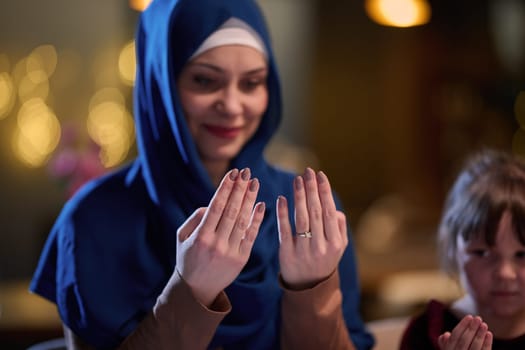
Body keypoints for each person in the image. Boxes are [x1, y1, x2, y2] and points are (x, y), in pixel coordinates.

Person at [29, 0, 374, 349]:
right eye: (205, 81)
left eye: (252, 83)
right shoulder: (95, 216)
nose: (233, 105)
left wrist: (311, 290)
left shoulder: (303, 212)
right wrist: (190, 290)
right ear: (160, 83)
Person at [399, 148, 525, 350]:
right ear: (452, 248)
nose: (505, 273)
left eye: (522, 254)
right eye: (482, 253)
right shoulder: (428, 331)